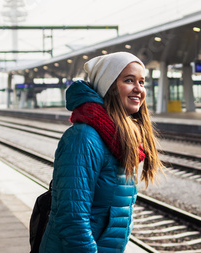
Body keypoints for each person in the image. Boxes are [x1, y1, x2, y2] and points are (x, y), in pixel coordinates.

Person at [39, 52, 163, 253]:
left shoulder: (124, 138)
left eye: (142, 82)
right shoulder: (83, 138)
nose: (138, 89)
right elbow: (72, 219)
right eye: (129, 80)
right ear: (109, 86)